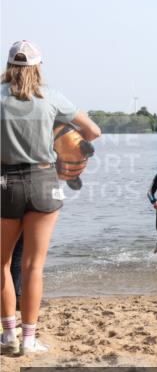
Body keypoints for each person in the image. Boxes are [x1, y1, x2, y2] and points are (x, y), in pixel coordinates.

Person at [2, 40, 101, 355]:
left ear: (9, 66)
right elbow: (94, 132)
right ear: (37, 67)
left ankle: (8, 336)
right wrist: (61, 136)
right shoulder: (52, 98)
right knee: (33, 266)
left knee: (2, 264)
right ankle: (29, 340)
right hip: (44, 180)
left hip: (6, 183)